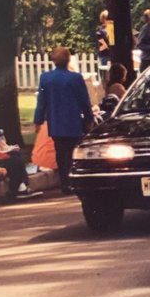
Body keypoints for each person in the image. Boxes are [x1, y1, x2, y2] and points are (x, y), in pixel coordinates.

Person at [33, 46, 93, 193]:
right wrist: (89, 118)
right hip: (73, 121)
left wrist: (38, 120)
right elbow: (84, 101)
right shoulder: (76, 78)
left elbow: (42, 102)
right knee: (72, 151)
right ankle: (72, 180)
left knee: (60, 152)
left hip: (56, 122)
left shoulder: (45, 78)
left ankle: (64, 182)